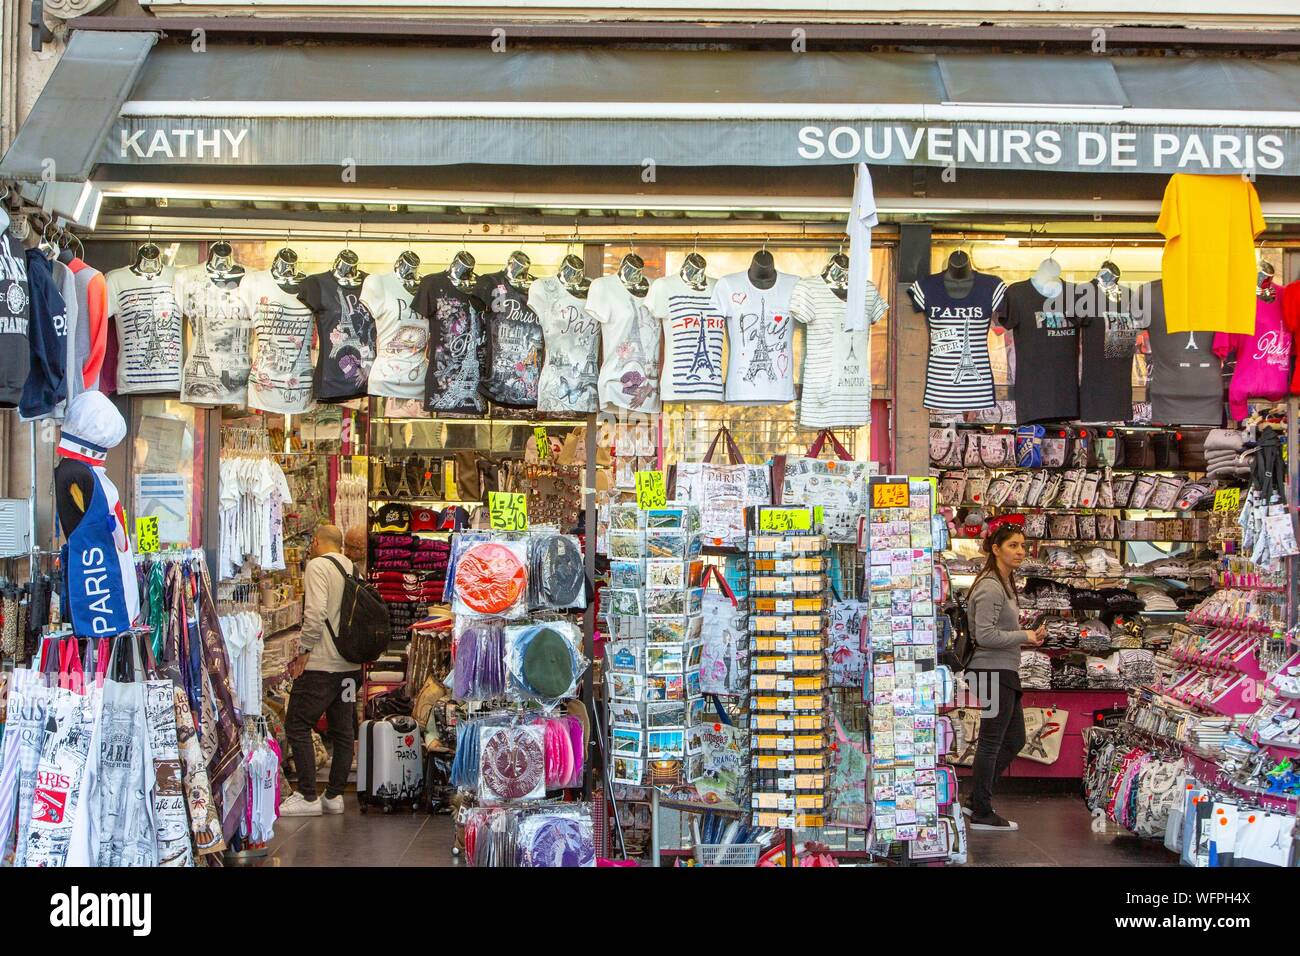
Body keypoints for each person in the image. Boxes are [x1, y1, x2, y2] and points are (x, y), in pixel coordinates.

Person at [963, 523, 1045, 832]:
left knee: (1014, 738)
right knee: (992, 741)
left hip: (1002, 670)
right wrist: (1024, 634)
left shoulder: (1005, 583)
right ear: (995, 549)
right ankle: (982, 810)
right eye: (1012, 545)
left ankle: (976, 800)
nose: (1020, 551)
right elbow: (984, 635)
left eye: (1022, 545)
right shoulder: (990, 586)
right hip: (990, 670)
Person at [280, 523, 362, 817]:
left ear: (316, 542)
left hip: (322, 664)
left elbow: (314, 615)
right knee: (342, 730)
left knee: (298, 723)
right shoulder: (352, 568)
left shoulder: (317, 566)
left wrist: (303, 650)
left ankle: (307, 794)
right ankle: (334, 795)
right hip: (350, 666)